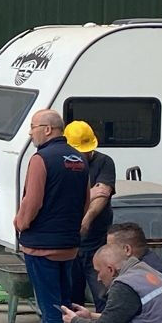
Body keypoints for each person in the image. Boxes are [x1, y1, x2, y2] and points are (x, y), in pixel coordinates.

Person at [12, 108, 89, 323]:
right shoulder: (79, 159)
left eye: (32, 127)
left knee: (50, 306)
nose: (30, 133)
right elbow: (85, 201)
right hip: (68, 244)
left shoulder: (40, 159)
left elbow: (32, 202)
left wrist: (20, 223)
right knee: (66, 302)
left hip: (41, 245)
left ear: (47, 129)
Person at [67, 121, 118, 306]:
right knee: (71, 294)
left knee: (102, 292)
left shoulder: (104, 162)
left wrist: (87, 219)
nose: (85, 154)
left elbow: (102, 195)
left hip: (95, 240)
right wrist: (89, 193)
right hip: (69, 242)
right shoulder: (63, 165)